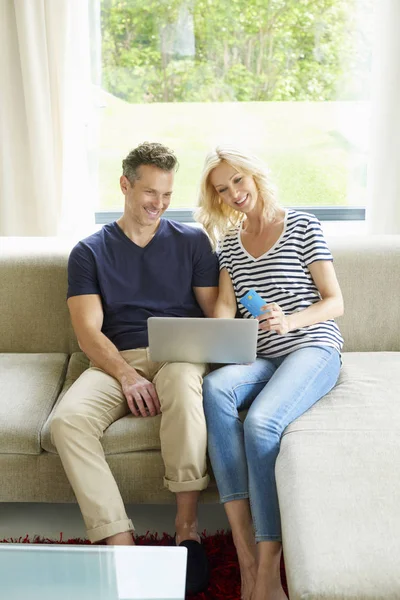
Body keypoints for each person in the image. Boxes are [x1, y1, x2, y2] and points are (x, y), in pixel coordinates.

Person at [50, 142, 219, 594]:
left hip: (177, 353)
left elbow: (213, 314)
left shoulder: (192, 241)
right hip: (116, 359)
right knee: (66, 423)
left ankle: (187, 529)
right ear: (125, 186)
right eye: (149, 194)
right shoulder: (89, 252)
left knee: (184, 385)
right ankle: (120, 541)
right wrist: (125, 374)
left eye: (166, 195)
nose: (159, 205)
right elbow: (88, 334)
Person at [196, 146, 344, 600]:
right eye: (223, 189)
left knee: (262, 422)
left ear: (256, 175)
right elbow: (225, 306)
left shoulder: (302, 225)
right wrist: (219, 336)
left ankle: (268, 565)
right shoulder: (229, 243)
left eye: (238, 181)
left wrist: (291, 320)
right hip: (259, 355)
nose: (234, 193)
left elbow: (335, 301)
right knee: (215, 387)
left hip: (311, 346)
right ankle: (243, 550)